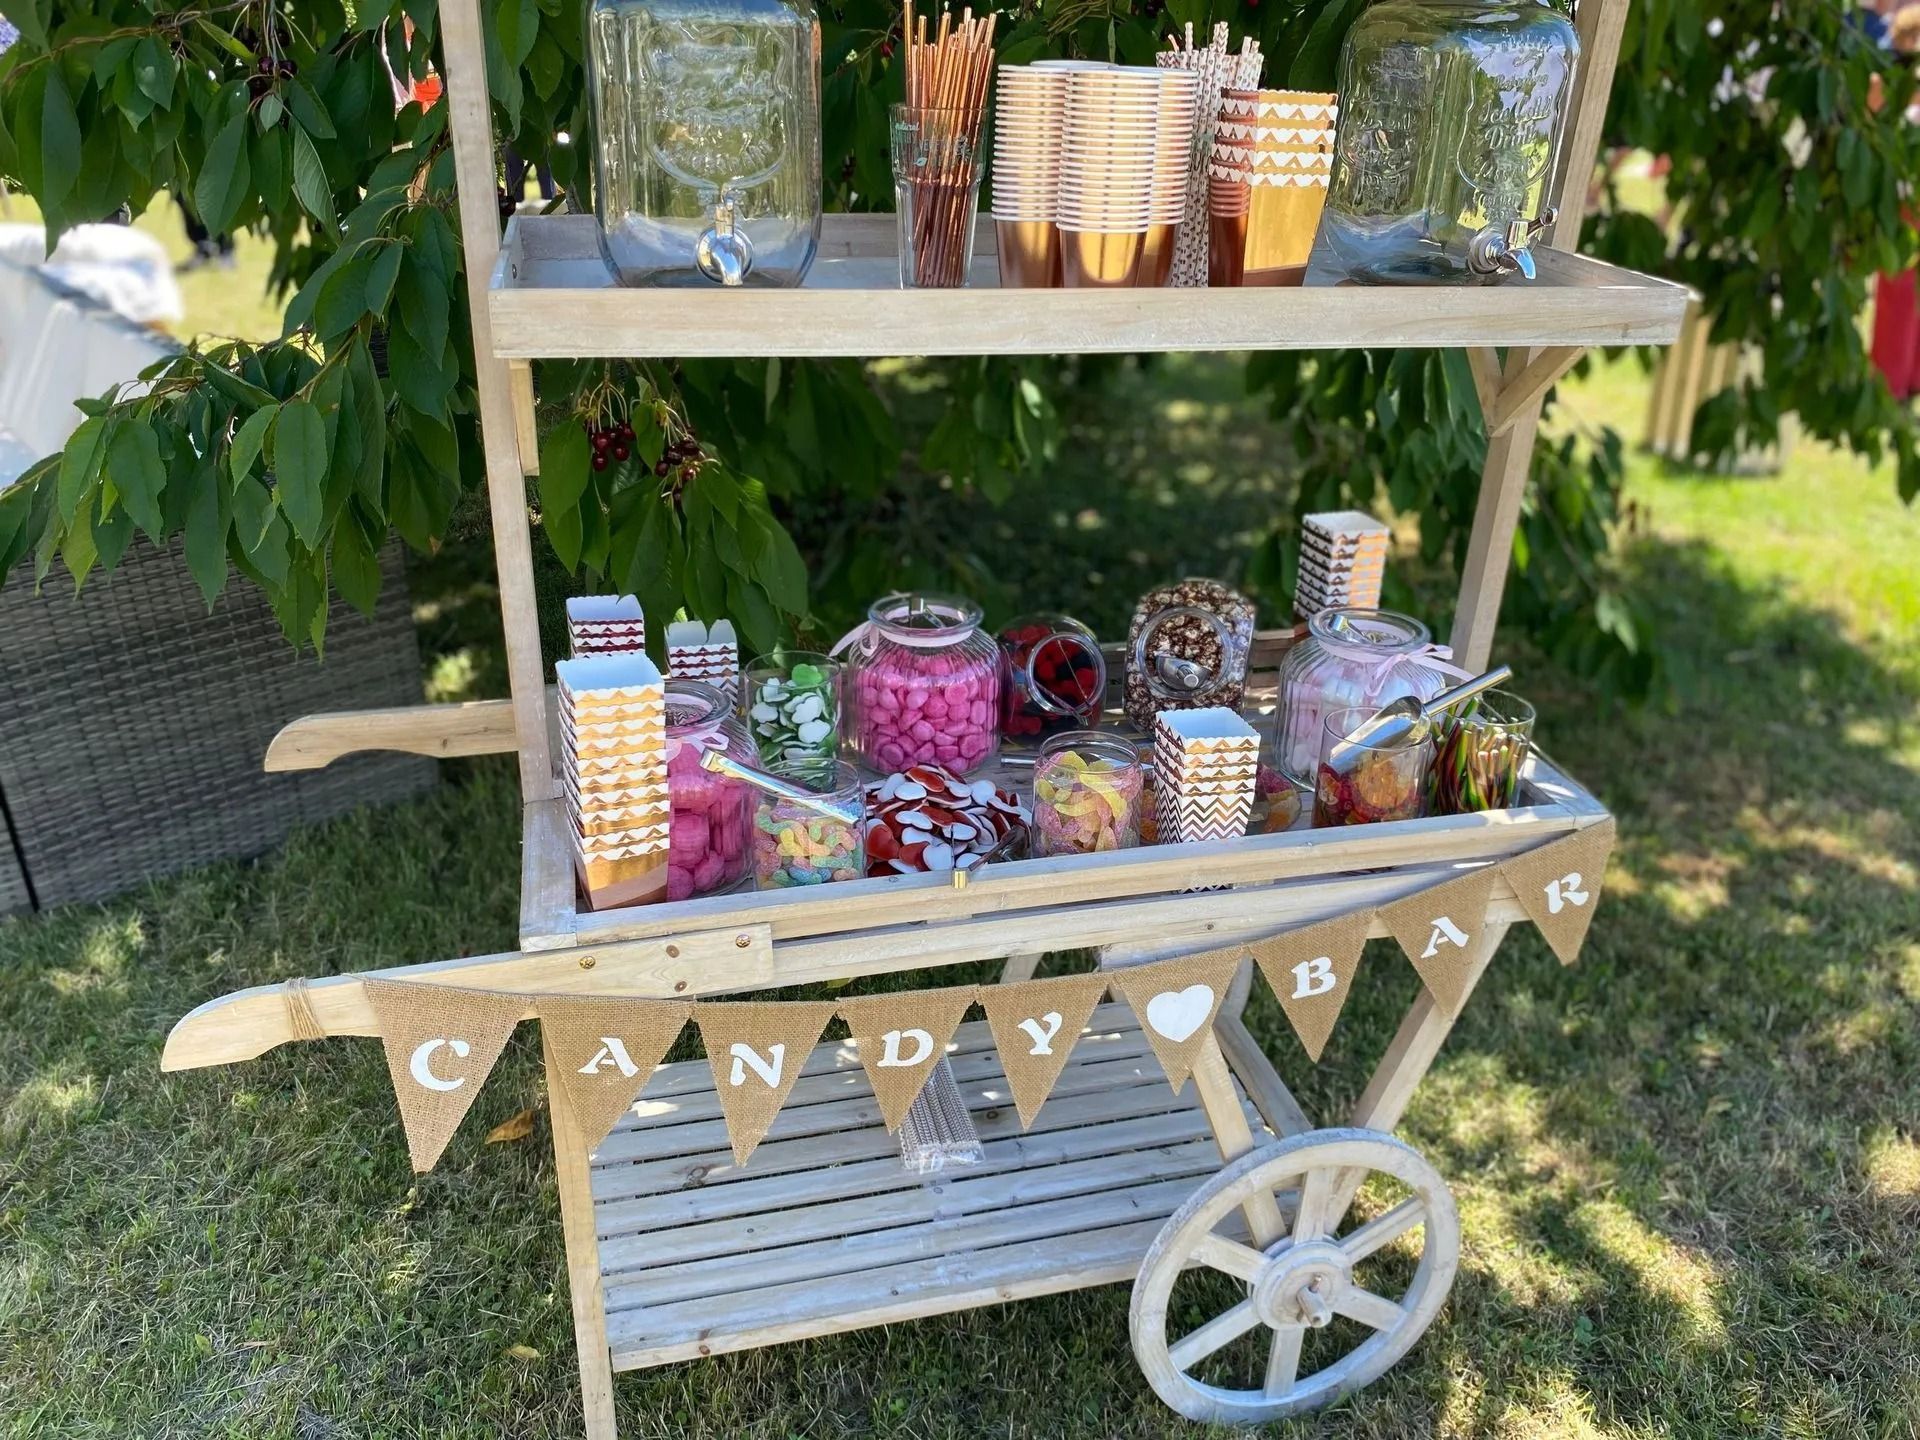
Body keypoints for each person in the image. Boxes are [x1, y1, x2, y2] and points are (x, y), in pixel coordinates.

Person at [1868, 4, 1920, 401]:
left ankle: (1891, 382)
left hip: (1907, 196)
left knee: (1898, 292)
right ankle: (1907, 380)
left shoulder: (1896, 78)